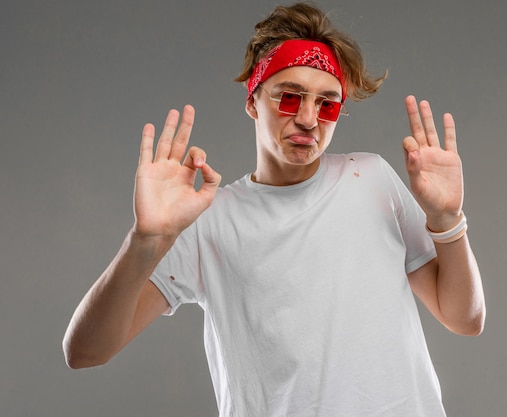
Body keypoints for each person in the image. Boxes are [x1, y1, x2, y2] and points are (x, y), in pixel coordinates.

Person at [63, 2, 485, 416]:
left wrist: (447, 221)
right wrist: (145, 241)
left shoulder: (372, 179)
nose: (307, 118)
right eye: (289, 97)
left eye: (327, 103)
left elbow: (464, 318)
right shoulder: (208, 219)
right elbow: (84, 352)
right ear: (253, 100)